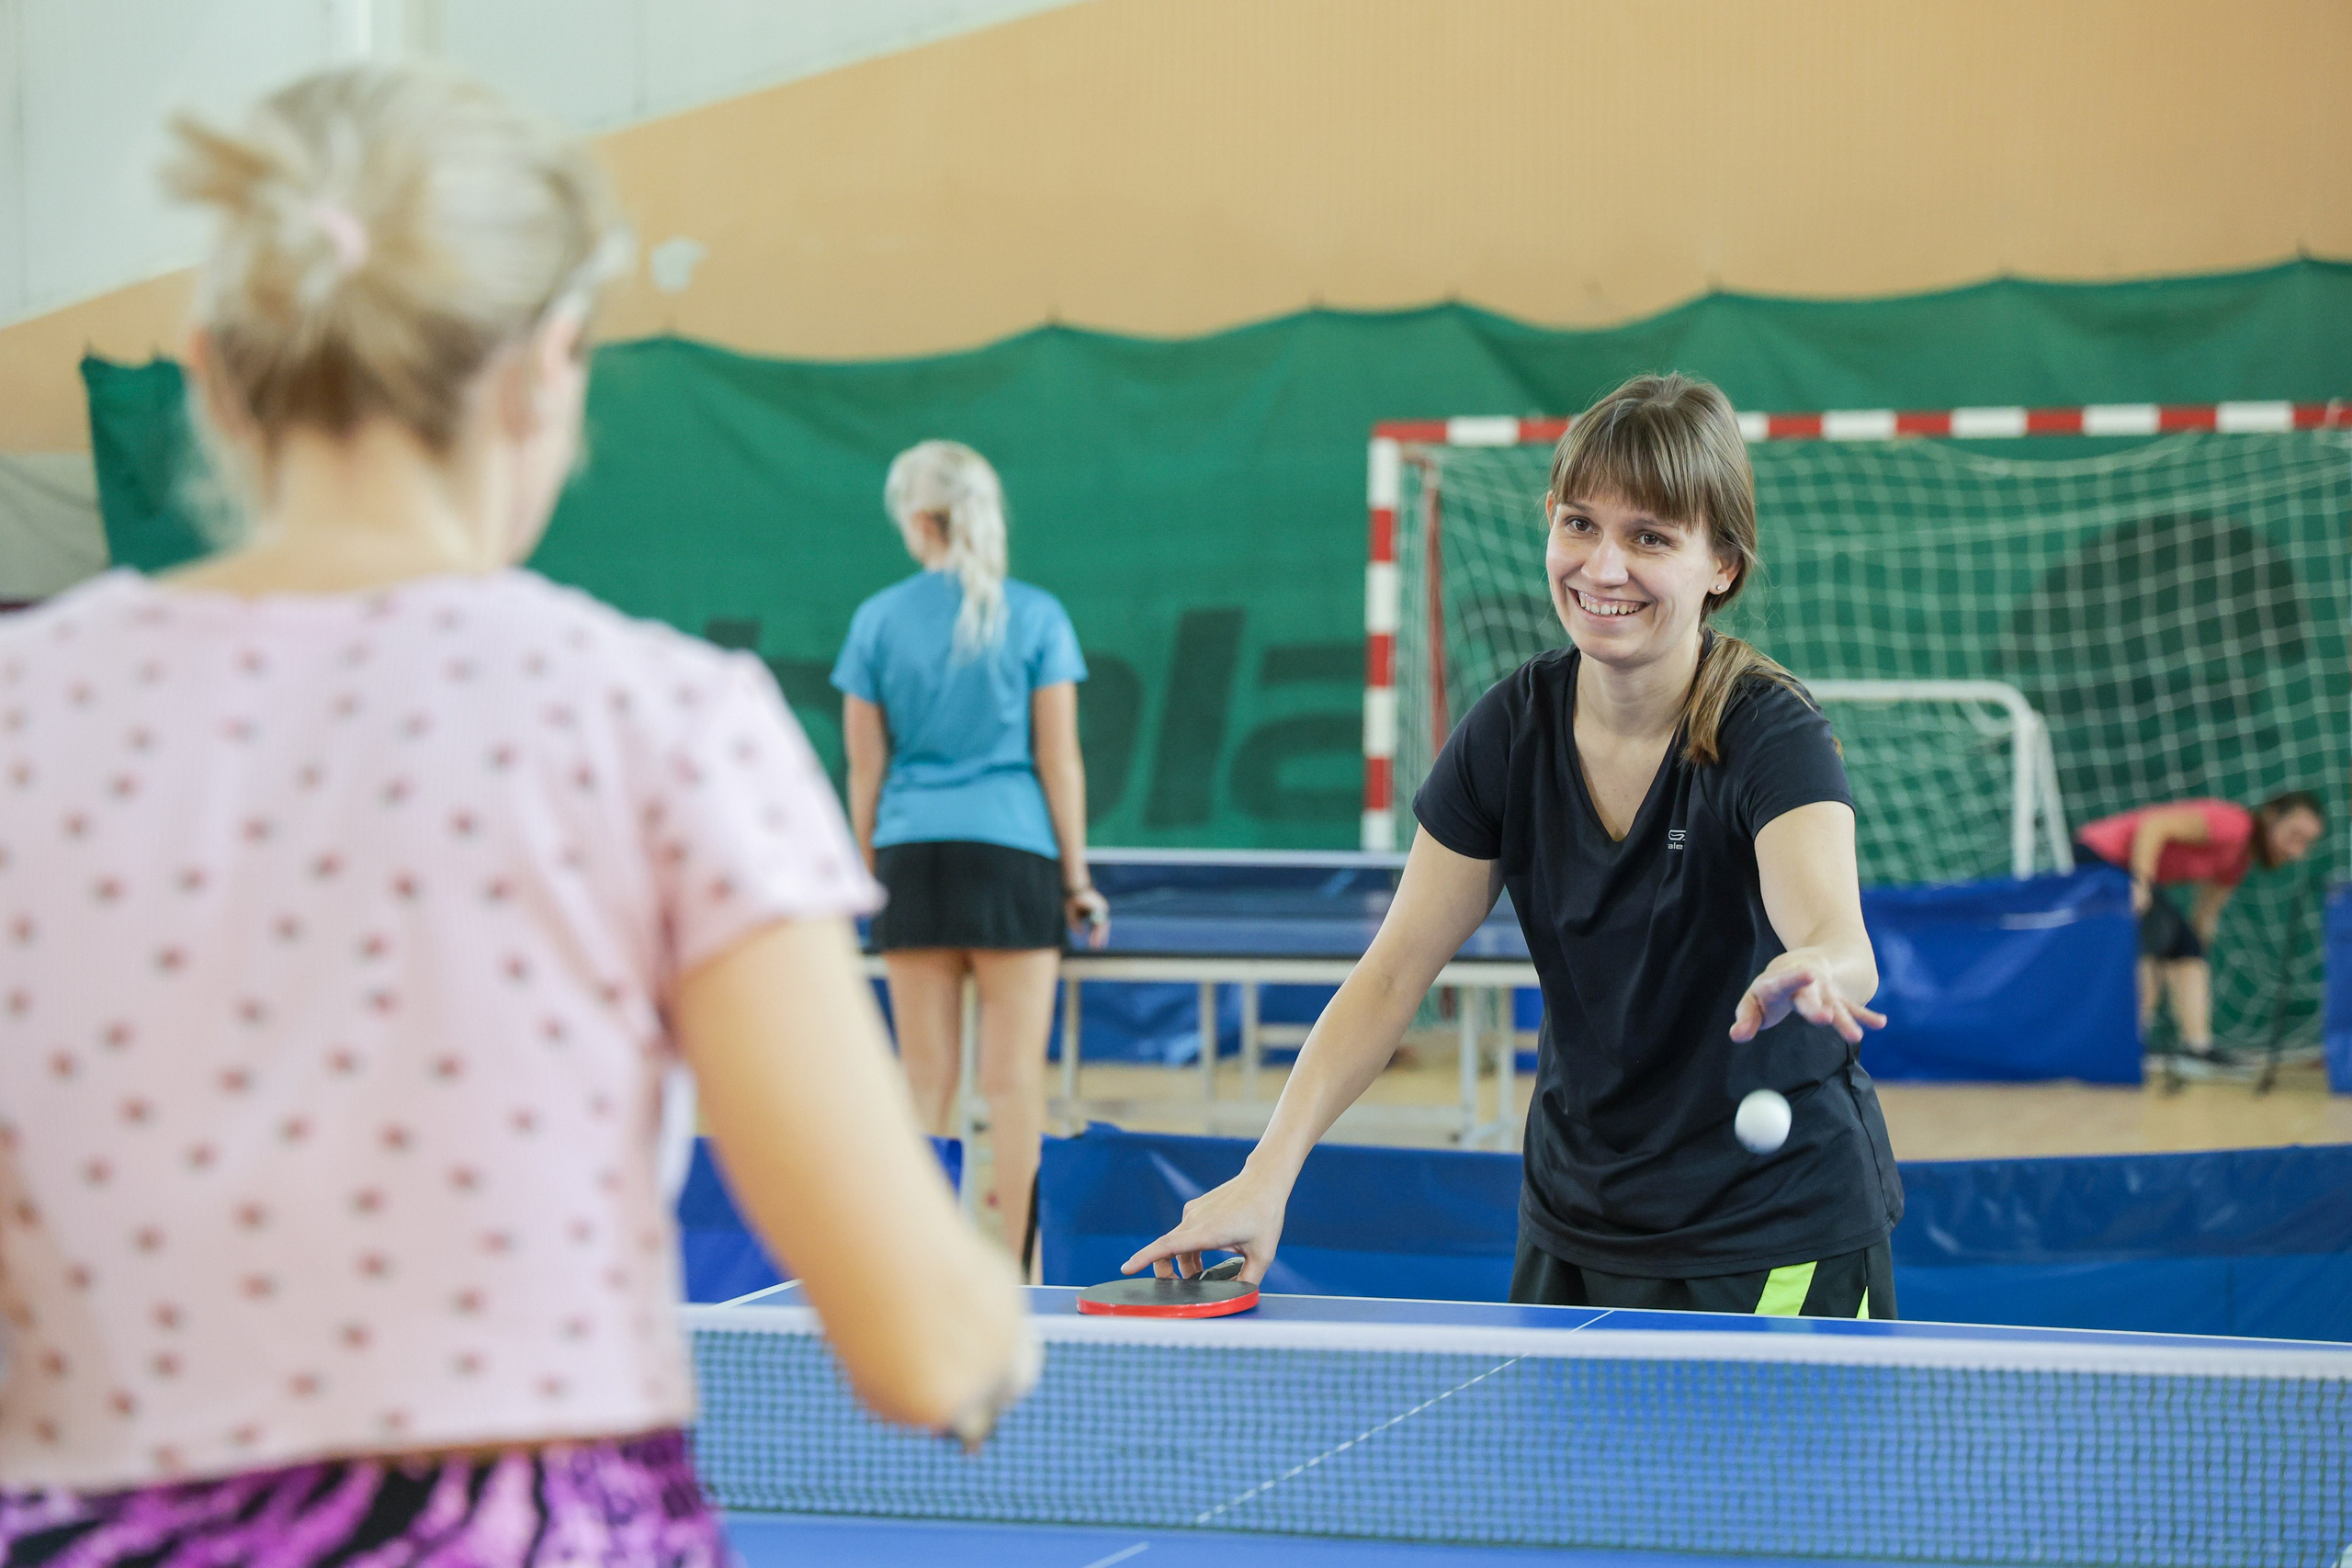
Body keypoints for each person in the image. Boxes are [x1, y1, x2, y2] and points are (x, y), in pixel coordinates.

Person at [0, 64, 1030, 1562]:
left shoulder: (21, 716)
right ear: (553, 365)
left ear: (214, 373)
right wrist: (992, 1325)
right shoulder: (664, 725)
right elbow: (921, 1346)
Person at [1126, 373, 1903, 1318]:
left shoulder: (1766, 733)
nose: (1602, 568)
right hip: (1576, 1222)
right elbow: (1392, 973)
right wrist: (1267, 1172)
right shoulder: (1511, 729)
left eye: (1649, 537)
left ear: (1722, 567)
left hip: (1773, 1233)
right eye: (1579, 524)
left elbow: (1834, 931)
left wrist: (1819, 969)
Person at [834, 441, 1109, 1263]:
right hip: (1015, 858)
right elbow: (1058, 761)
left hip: (912, 862)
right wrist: (1078, 881)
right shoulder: (1038, 615)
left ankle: (921, 1265)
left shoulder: (877, 619)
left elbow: (866, 770)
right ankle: (1023, 1265)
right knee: (1013, 1081)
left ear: (921, 520)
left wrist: (867, 873)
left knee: (926, 1083)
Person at [2074, 792, 2326, 1070]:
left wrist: (2193, 949)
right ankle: (2124, 1040)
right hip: (2100, 854)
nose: (2296, 851)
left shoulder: (2238, 860)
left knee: (2186, 946)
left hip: (2127, 867)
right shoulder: (2234, 824)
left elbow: (2205, 915)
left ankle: (2196, 1047)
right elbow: (2155, 824)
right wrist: (2141, 882)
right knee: (2157, 936)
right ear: (2270, 816)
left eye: (2305, 844)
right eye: (2294, 836)